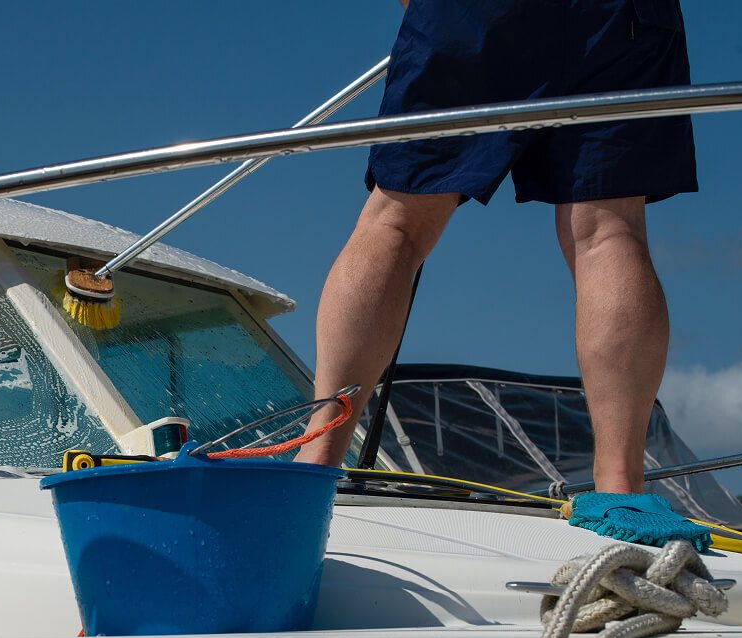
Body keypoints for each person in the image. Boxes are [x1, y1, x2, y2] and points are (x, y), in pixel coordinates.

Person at [296, 0, 696, 497]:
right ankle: (622, 488)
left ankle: (316, 458)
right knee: (610, 233)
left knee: (396, 223)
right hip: (622, 15)